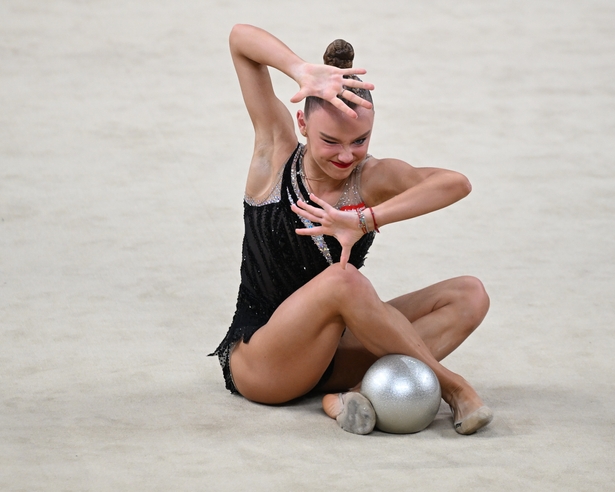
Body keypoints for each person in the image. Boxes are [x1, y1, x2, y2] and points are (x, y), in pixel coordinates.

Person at [210, 24, 493, 435]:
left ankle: (350, 396)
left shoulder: (370, 178)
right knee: (343, 279)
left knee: (469, 294)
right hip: (262, 360)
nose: (346, 156)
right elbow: (240, 39)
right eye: (331, 141)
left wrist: (365, 219)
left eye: (359, 140)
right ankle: (454, 387)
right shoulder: (275, 157)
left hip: (330, 355)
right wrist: (299, 69)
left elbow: (456, 184)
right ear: (303, 125)